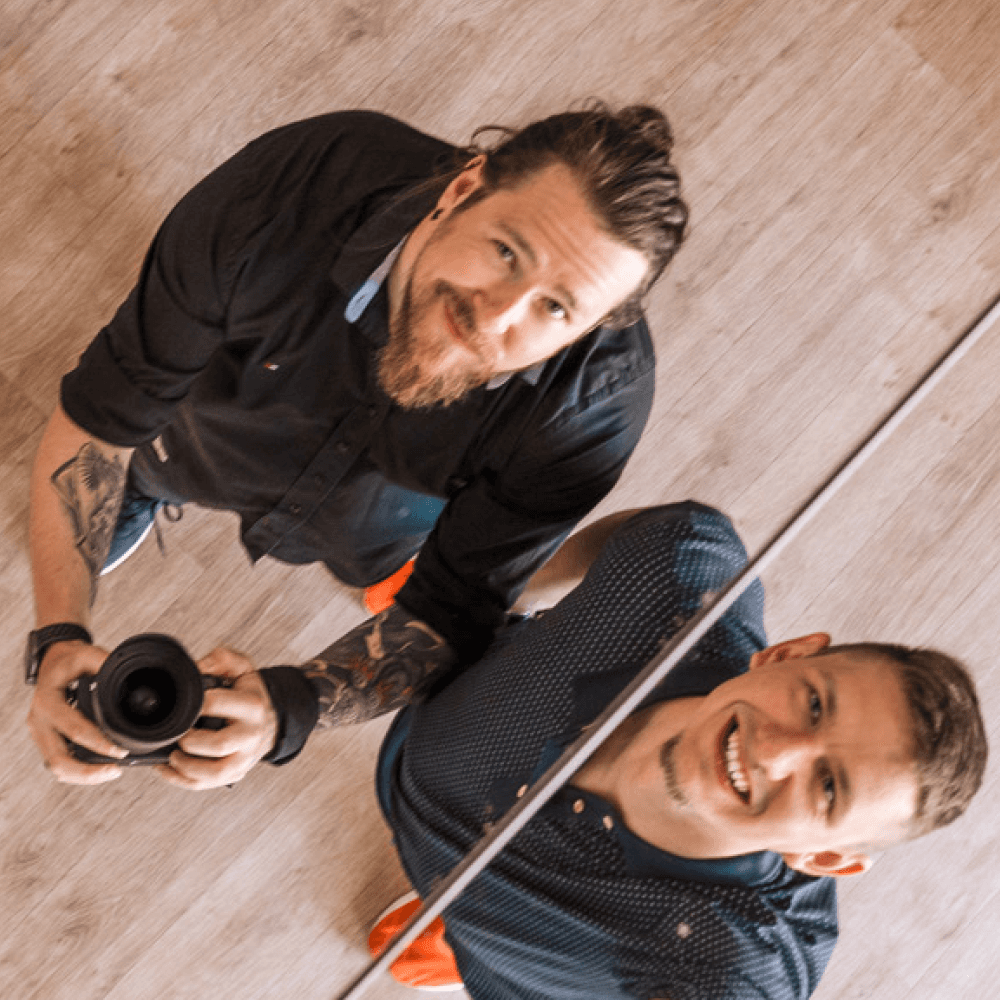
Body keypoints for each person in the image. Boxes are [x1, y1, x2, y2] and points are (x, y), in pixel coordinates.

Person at [24, 104, 688, 785]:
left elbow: (450, 610)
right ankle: (146, 487)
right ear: (463, 188)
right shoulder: (283, 193)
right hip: (199, 439)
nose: (495, 315)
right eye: (506, 252)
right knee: (158, 455)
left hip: (385, 520)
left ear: (588, 330)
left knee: (389, 561)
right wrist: (58, 635)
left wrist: (290, 708)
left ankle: (376, 569)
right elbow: (106, 418)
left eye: (555, 308)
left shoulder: (594, 408)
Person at [357, 503, 987, 999]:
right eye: (814, 705)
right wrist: (493, 595)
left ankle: (466, 943)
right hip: (410, 763)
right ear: (787, 654)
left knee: (503, 953)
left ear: (819, 856)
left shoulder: (726, 967)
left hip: (519, 966)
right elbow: (645, 531)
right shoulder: (684, 566)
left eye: (828, 787)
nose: (775, 750)